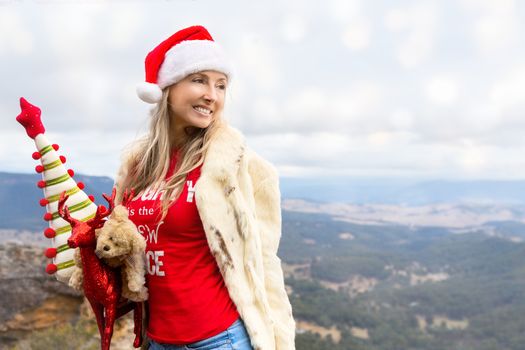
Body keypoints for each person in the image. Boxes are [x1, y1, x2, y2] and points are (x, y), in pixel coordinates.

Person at [112, 25, 296, 350]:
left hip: (220, 341)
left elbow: (263, 261)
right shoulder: (135, 168)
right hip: (156, 341)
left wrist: (279, 340)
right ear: (168, 88)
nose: (212, 95)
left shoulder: (240, 167)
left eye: (221, 85)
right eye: (199, 80)